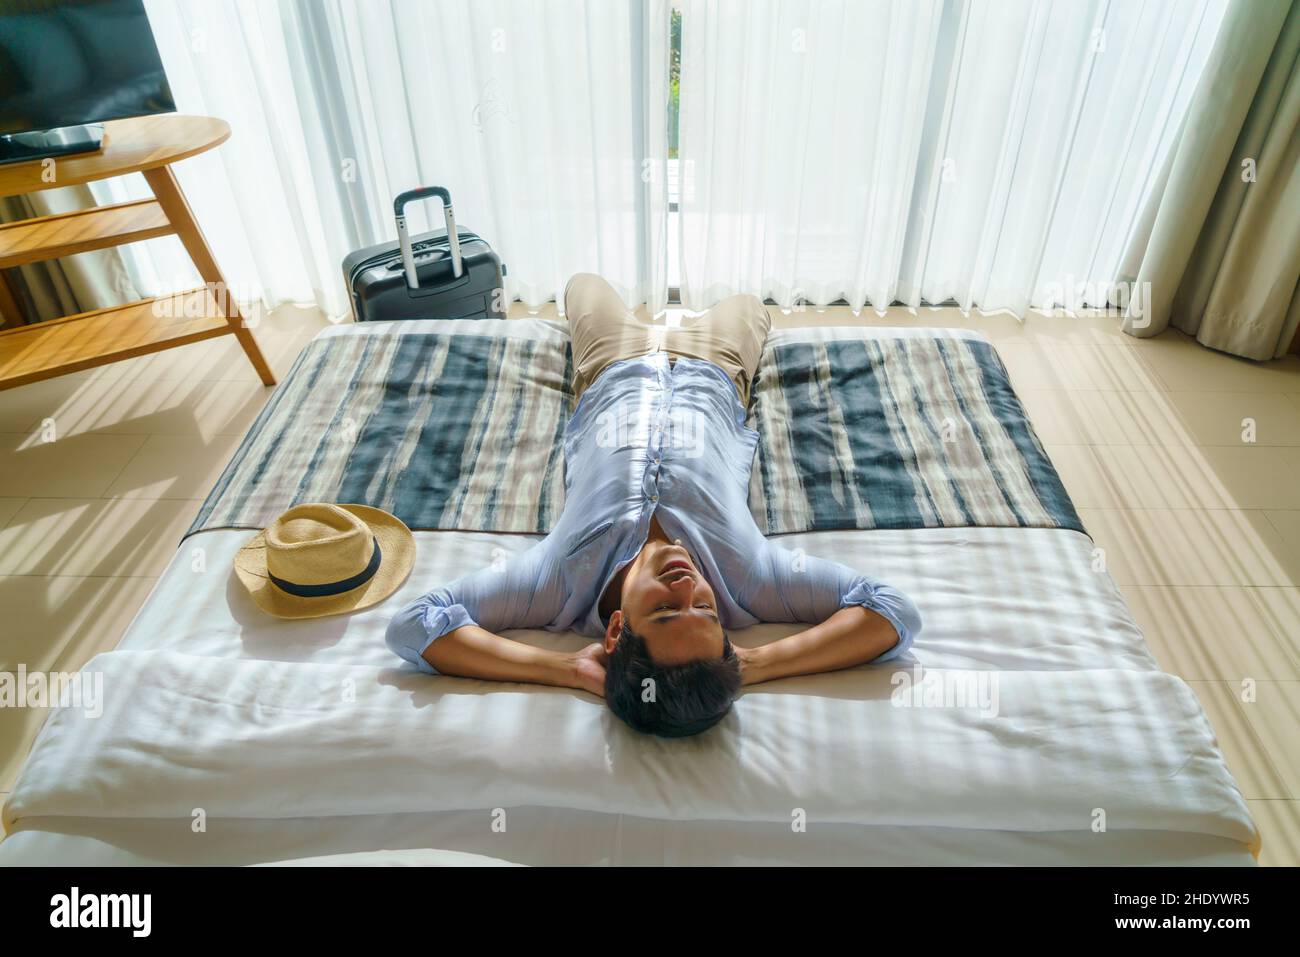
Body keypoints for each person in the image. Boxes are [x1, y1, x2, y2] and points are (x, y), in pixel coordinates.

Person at [386, 273, 921, 737]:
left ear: (616, 630)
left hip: (610, 370)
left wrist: (568, 669)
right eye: (706, 611)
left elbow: (414, 624)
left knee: (583, 284)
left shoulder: (555, 583)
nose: (688, 586)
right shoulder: (753, 578)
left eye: (666, 609)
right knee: (747, 302)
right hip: (715, 370)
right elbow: (891, 610)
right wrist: (749, 664)